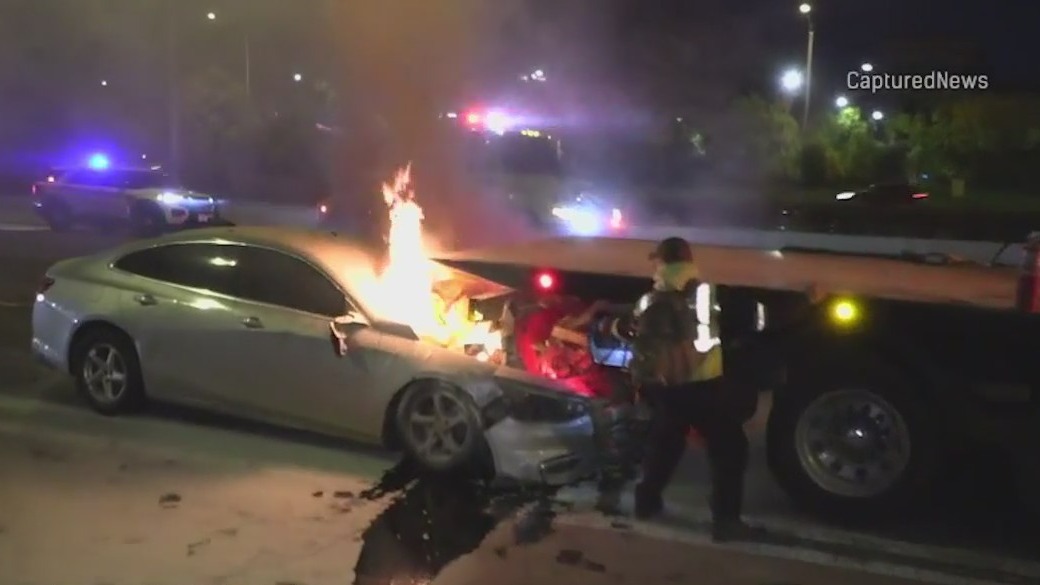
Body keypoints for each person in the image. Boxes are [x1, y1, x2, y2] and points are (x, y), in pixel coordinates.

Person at [601, 236, 763, 542]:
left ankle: (646, 502)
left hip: (666, 385)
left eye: (657, 261)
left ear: (664, 262)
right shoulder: (705, 291)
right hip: (703, 383)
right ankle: (726, 521)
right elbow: (736, 324)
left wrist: (613, 328)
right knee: (729, 449)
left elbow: (625, 330)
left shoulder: (650, 298)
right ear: (688, 261)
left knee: (666, 443)